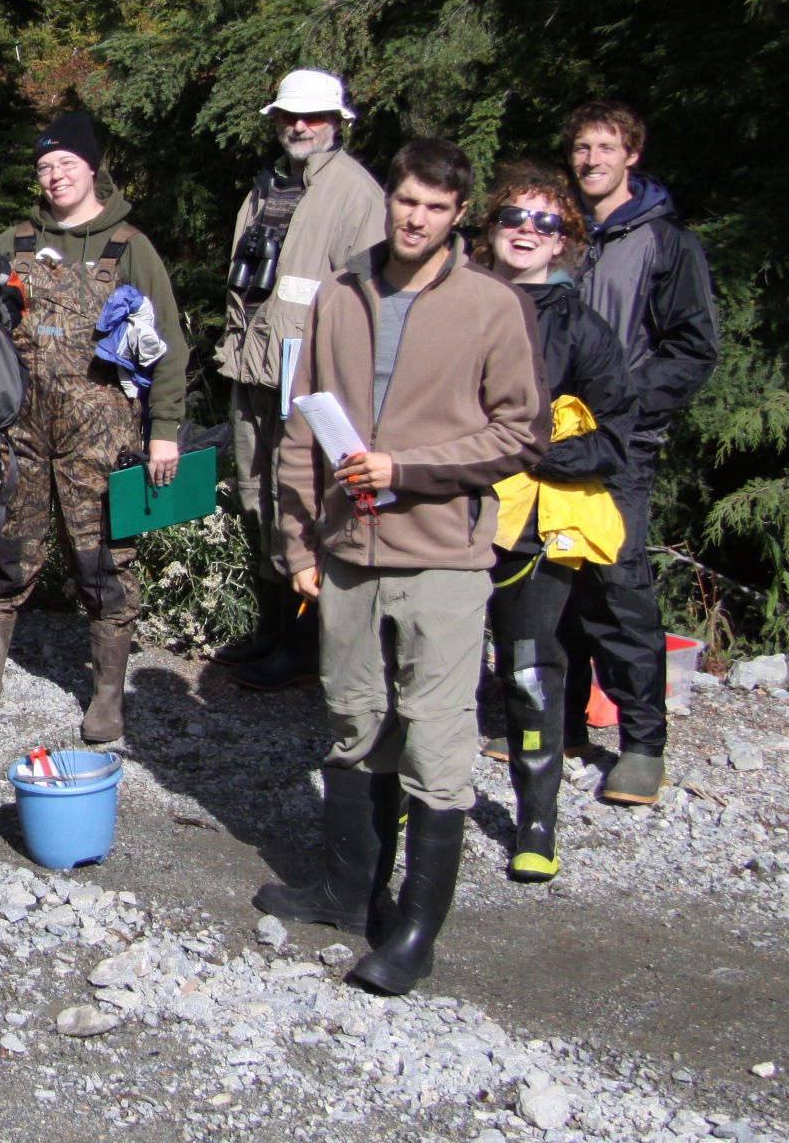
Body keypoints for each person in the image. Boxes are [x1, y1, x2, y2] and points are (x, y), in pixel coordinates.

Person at [257, 138, 546, 997]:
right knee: (354, 720)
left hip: (443, 555)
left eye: (433, 207)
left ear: (459, 217)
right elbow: (303, 424)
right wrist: (298, 546)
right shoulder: (342, 295)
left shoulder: (492, 308)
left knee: (437, 735)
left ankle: (415, 930)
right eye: (405, 201)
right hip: (346, 551)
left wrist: (409, 470)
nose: (414, 218)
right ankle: (348, 891)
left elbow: (517, 433)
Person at [0, 112, 187, 743]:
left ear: (92, 169)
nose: (54, 176)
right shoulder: (15, 241)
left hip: (102, 435)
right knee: (1, 548)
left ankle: (107, 694)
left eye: (66, 164)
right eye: (44, 167)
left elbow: (167, 345)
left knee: (106, 560)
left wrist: (164, 429)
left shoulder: (131, 246)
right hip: (21, 429)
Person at [474, 162, 638, 881]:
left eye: (545, 222)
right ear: (491, 227)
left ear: (565, 239)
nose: (526, 232)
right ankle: (415, 791)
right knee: (425, 660)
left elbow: (615, 439)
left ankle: (536, 821)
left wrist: (534, 449)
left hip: (536, 526)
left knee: (531, 670)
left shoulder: (586, 329)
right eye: (514, 216)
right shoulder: (451, 301)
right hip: (444, 511)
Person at [563, 101, 720, 806]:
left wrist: (627, 407)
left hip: (622, 443)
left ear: (632, 154)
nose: (591, 159)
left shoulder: (666, 244)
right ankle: (558, 720)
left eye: (605, 147)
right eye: (581, 148)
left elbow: (693, 349)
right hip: (549, 438)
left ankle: (641, 744)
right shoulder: (557, 231)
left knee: (619, 587)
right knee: (548, 578)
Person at [215, 69, 386, 691]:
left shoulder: (357, 195)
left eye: (312, 117)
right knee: (256, 493)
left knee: (301, 501)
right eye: (290, 116)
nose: (299, 126)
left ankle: (304, 647)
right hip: (254, 366)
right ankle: (271, 632)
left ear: (337, 122)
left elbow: (369, 301)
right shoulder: (267, 187)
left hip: (309, 376)